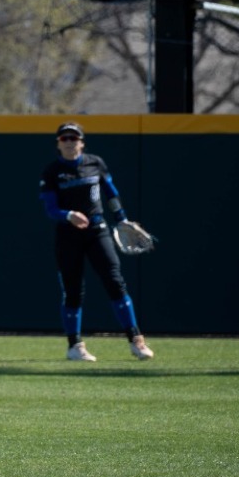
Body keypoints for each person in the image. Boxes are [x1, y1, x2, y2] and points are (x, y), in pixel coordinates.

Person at [38, 122, 154, 362]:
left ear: (82, 141)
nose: (69, 142)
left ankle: (136, 340)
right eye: (64, 138)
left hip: (97, 230)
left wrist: (121, 218)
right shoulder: (52, 172)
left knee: (115, 281)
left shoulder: (95, 163)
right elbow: (50, 208)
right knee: (73, 292)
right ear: (58, 143)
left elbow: (110, 192)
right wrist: (68, 215)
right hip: (68, 235)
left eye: (74, 137)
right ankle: (75, 346)